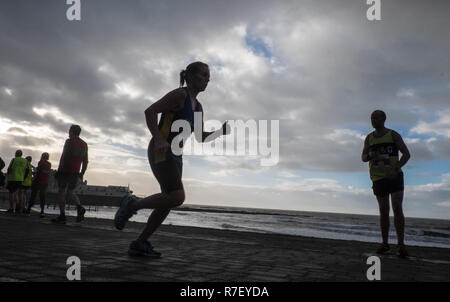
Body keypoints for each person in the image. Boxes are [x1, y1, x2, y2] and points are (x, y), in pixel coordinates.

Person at [114, 61, 230, 257]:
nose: (207, 80)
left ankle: (140, 243)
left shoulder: (198, 107)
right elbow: (150, 111)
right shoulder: (180, 95)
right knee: (177, 196)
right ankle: (132, 204)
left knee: (168, 201)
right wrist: (158, 139)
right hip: (162, 150)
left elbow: (201, 136)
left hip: (176, 155)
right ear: (190, 76)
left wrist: (220, 132)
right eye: (203, 75)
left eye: (209, 77)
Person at [361, 110, 411, 258]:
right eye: (371, 117)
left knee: (397, 207)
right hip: (377, 178)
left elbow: (407, 154)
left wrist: (396, 168)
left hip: (394, 176)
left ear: (383, 119)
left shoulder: (393, 135)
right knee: (383, 210)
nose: (372, 120)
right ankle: (385, 243)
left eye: (375, 117)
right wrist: (370, 155)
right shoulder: (369, 138)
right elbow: (363, 157)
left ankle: (401, 244)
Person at [52, 125, 88, 224]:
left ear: (72, 131)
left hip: (65, 170)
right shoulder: (84, 144)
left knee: (61, 192)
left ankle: (62, 215)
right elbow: (85, 161)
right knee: (70, 192)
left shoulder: (69, 141)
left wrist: (59, 170)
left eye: (69, 130)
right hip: (76, 172)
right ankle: (79, 207)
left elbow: (64, 156)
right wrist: (82, 173)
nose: (68, 132)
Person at [26, 153, 51, 217]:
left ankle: (28, 210)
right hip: (45, 182)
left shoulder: (40, 162)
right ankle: (42, 211)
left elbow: (38, 172)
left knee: (33, 196)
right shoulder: (49, 164)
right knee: (42, 197)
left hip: (38, 181)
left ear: (42, 156)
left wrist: (34, 177)